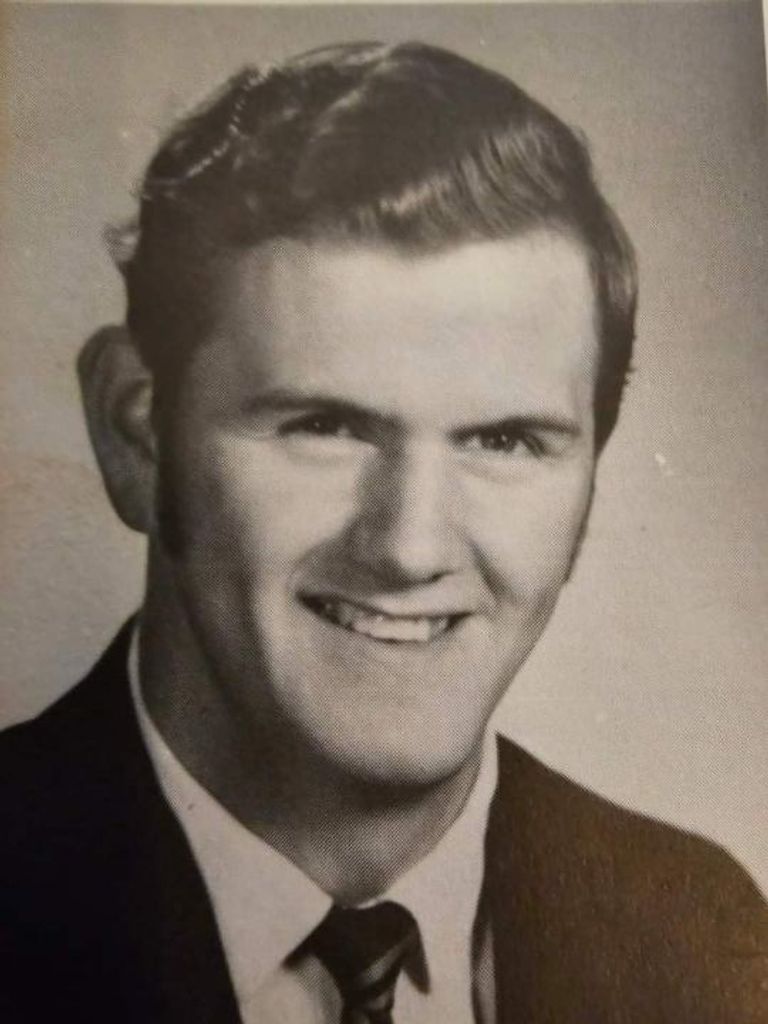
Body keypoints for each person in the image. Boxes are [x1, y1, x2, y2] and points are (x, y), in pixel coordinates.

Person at [1, 41, 766, 1024]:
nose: (410, 547)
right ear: (135, 433)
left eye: (504, 440)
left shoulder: (702, 937)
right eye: (326, 425)